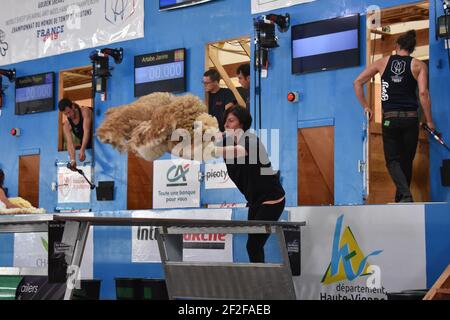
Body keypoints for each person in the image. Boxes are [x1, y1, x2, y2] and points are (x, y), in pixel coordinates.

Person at [353, 30, 435, 202]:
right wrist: (429, 120)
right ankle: (402, 198)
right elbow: (423, 94)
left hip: (390, 119)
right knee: (407, 160)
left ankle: (405, 195)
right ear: (412, 49)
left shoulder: (382, 63)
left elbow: (357, 82)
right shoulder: (419, 65)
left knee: (392, 160)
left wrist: (366, 106)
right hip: (411, 119)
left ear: (397, 46)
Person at [212, 105, 285, 262]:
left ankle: (263, 284)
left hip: (272, 199)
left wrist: (213, 148)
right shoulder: (225, 142)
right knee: (252, 246)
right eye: (225, 121)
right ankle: (261, 282)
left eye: (231, 121)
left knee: (253, 245)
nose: (226, 124)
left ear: (242, 124)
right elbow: (200, 147)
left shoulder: (250, 140)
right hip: (255, 201)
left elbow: (238, 151)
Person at [58, 98, 93, 170]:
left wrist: (82, 149)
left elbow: (86, 131)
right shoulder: (67, 125)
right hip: (87, 143)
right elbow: (70, 144)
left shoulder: (84, 111)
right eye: (65, 114)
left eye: (69, 112)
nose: (68, 115)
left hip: (95, 137)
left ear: (73, 106)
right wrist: (72, 160)